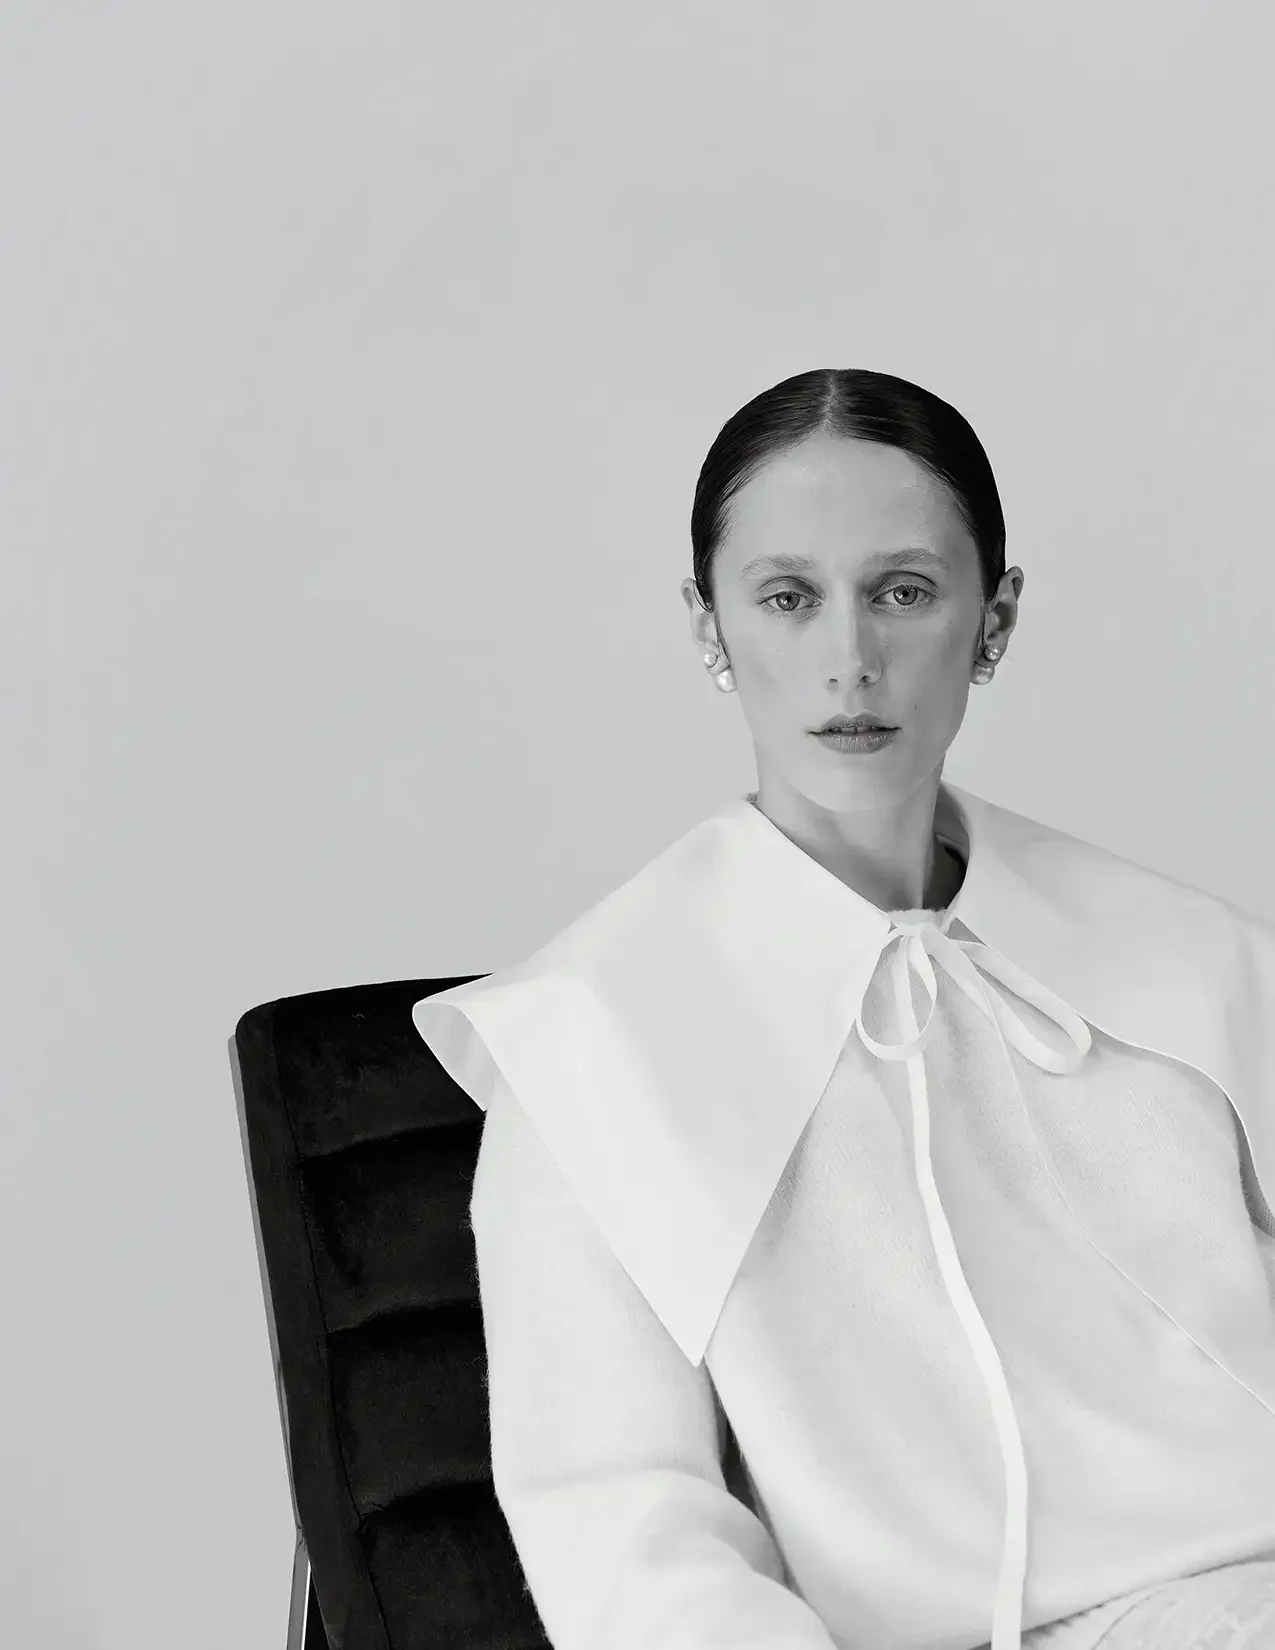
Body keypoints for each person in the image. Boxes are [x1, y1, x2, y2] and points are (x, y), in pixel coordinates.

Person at [412, 369, 1275, 1650]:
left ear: (996, 619)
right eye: (787, 597)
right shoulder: (594, 1044)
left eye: (904, 592)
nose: (850, 659)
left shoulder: (1191, 962)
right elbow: (625, 1538)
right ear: (710, 627)